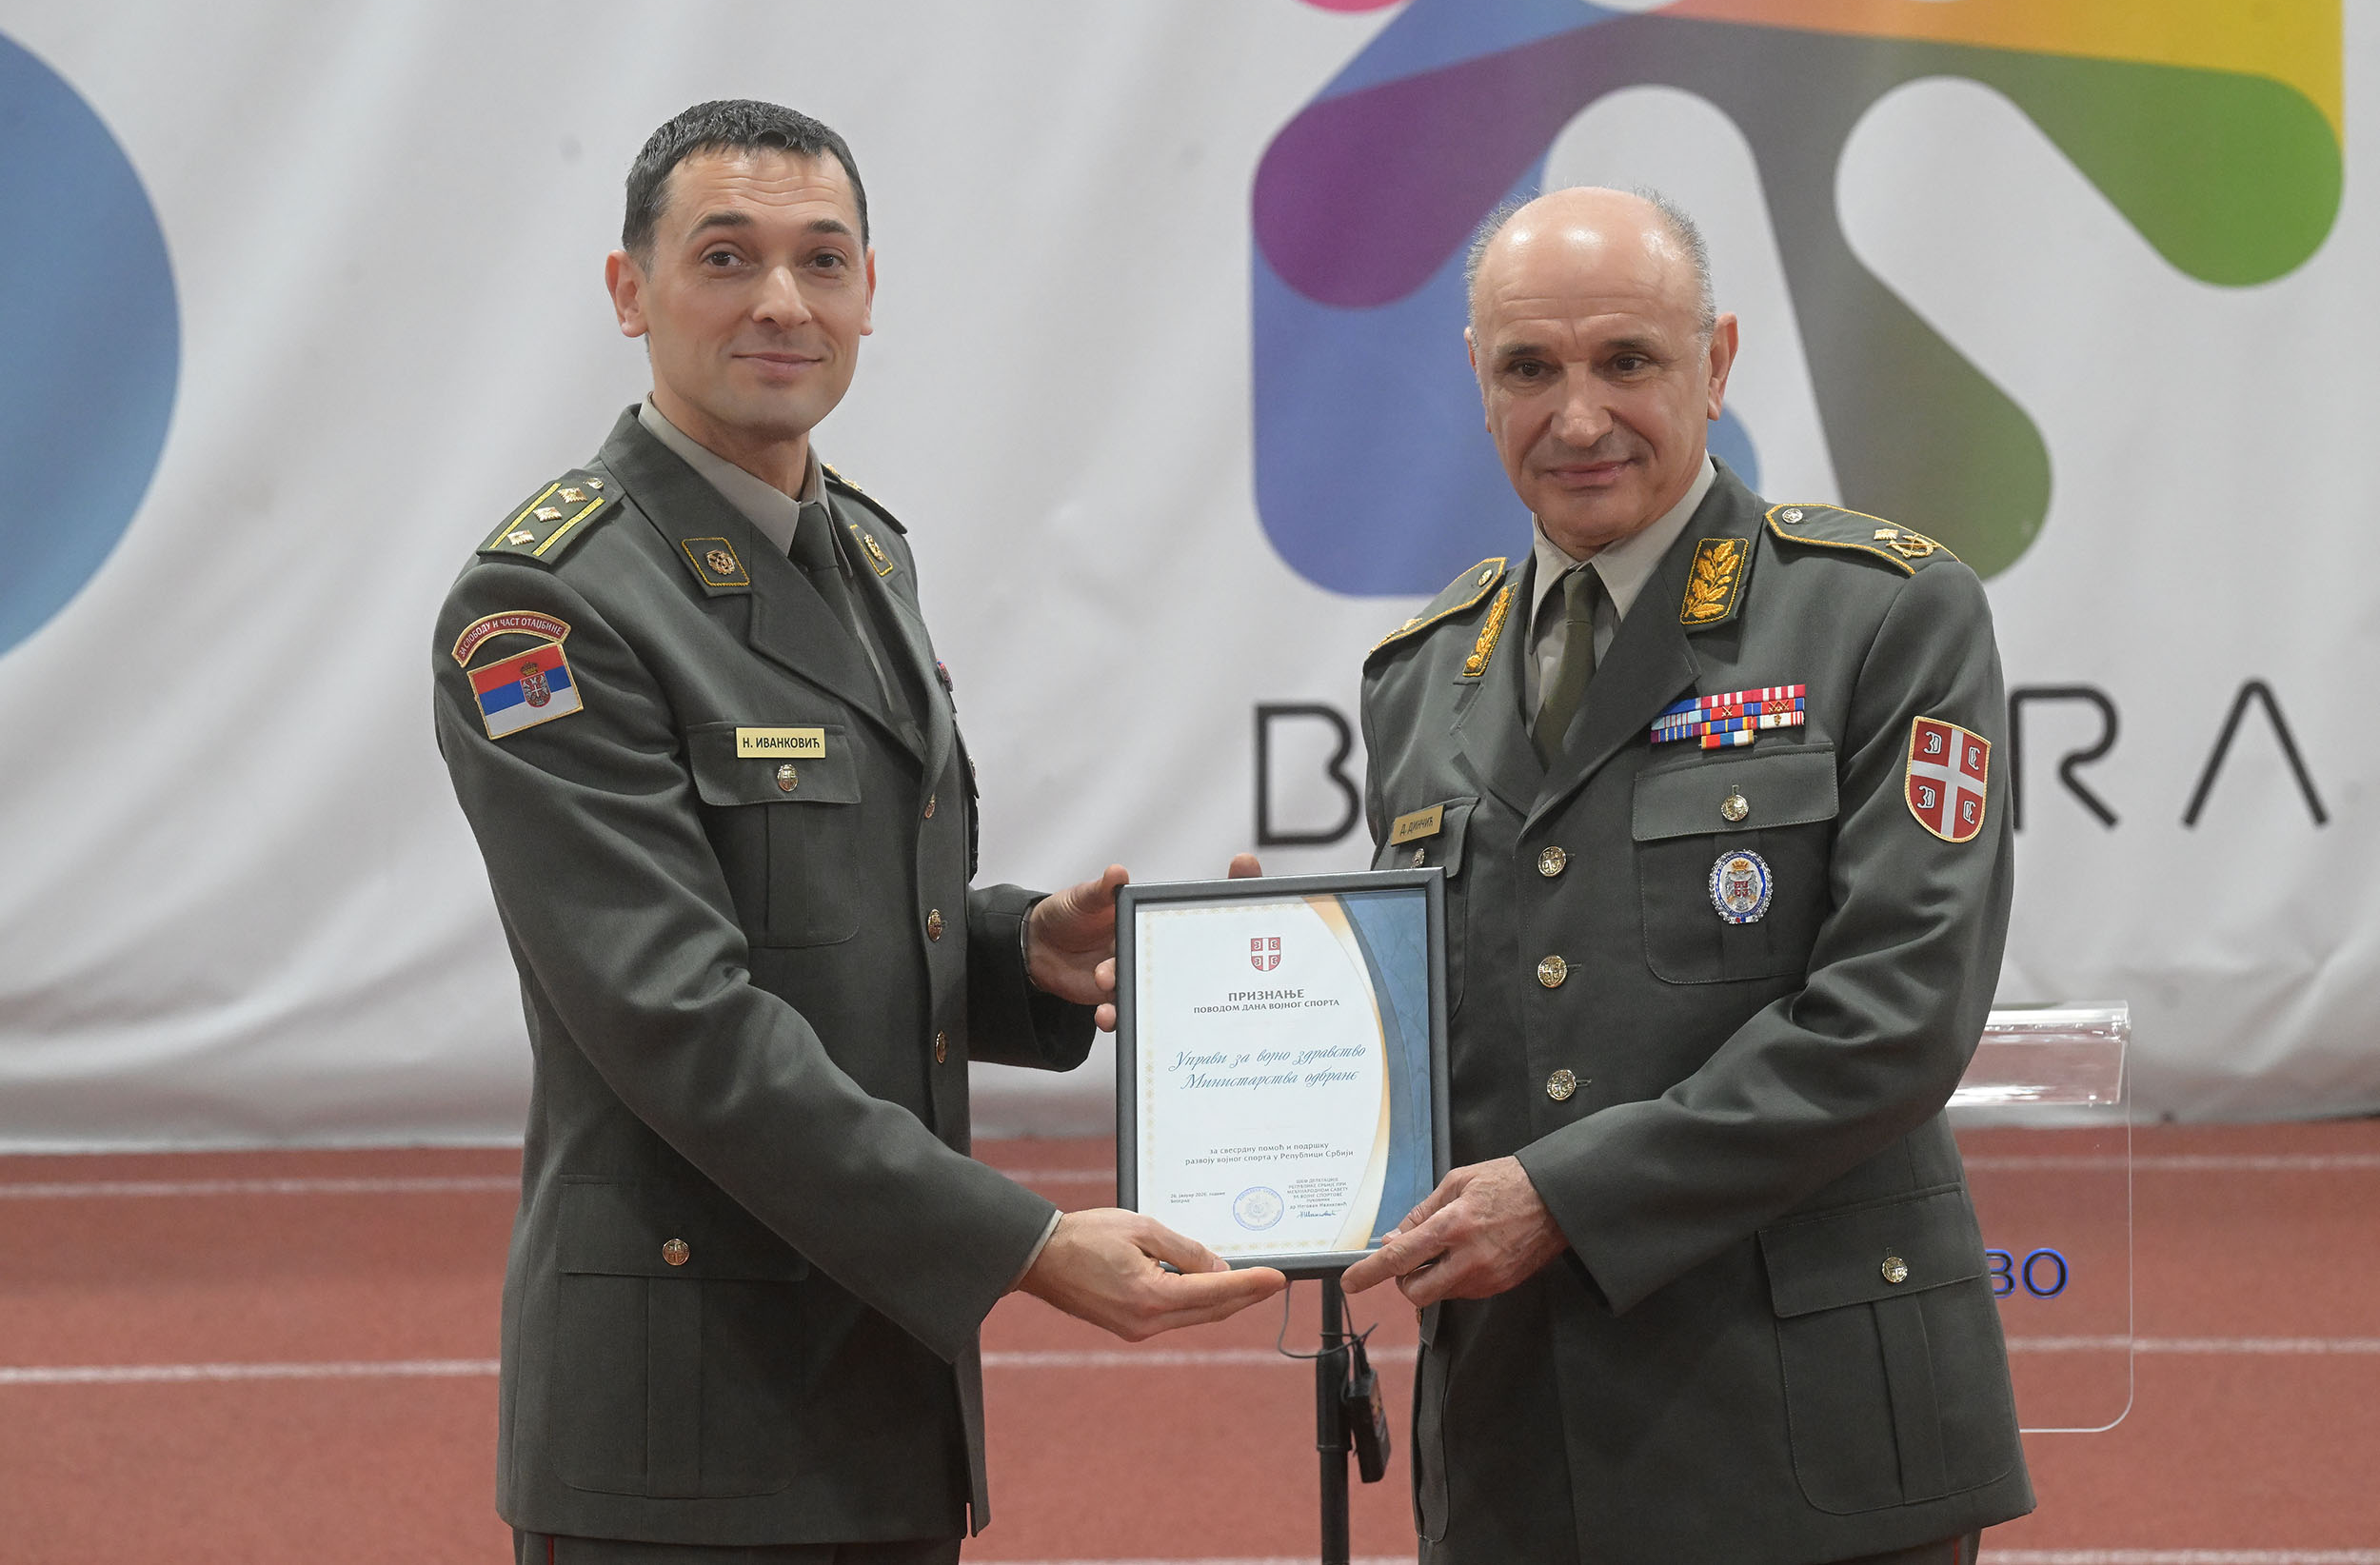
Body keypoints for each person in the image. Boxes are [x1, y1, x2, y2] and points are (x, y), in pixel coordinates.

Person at [431, 100, 1282, 1565]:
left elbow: (837, 908)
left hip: (883, 1400)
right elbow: (678, 1019)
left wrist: (1022, 955)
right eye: (726, 257)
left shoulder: (865, 549)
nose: (782, 300)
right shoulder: (547, 607)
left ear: (869, 295)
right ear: (630, 292)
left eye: (823, 261)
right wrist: (1024, 1243)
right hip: (685, 1425)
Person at [1338, 188, 2032, 1564]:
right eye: (1528, 369)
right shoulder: (1422, 677)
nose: (1578, 417)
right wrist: (1273, 1008)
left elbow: (1896, 1017)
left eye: (1627, 361)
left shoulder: (1882, 615)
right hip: (1518, 1446)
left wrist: (1565, 1197)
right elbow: (1446, 1035)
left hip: (1808, 1436)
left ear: (1715, 365)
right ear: (1478, 383)